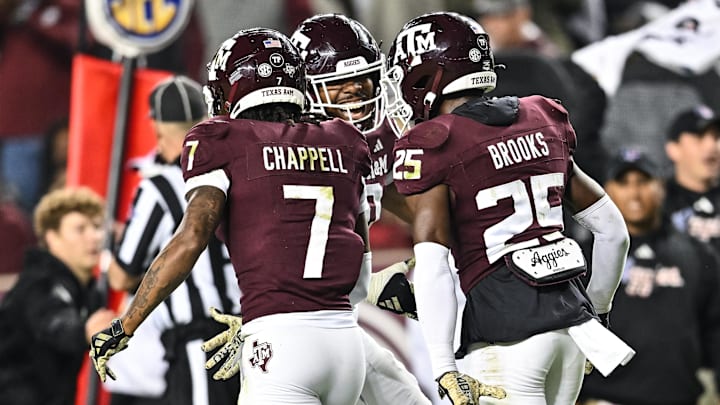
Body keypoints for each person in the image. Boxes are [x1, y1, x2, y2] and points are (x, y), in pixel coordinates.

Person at [90, 27, 373, 405]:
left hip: (279, 343)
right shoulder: (345, 139)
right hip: (346, 342)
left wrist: (125, 326)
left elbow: (191, 238)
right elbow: (360, 272)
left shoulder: (221, 139)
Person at [385, 11, 633, 404]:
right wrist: (598, 309)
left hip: (505, 338)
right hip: (574, 332)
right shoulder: (542, 116)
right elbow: (613, 232)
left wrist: (444, 365)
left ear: (428, 77)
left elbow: (433, 267)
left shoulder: (434, 141)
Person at [289, 13, 428, 405]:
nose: (355, 90)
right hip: (297, 319)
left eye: (362, 78)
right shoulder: (288, 149)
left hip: (339, 315)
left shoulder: (374, 138)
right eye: (338, 83)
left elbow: (394, 192)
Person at [103, 76, 241, 405]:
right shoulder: (239, 170)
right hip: (252, 333)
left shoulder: (161, 186)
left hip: (202, 340)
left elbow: (121, 274)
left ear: (158, 128)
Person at [579, 149, 720, 405]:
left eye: (643, 182)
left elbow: (715, 327)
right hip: (605, 399)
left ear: (661, 187)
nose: (634, 193)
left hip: (680, 398)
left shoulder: (697, 253)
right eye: (623, 183)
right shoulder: (583, 258)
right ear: (606, 189)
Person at [0, 186, 116, 405]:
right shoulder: (39, 284)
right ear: (52, 237)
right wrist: (83, 330)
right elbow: (53, 322)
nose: (94, 237)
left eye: (97, 226)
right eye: (80, 229)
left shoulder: (88, 292)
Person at [664, 105, 720, 252]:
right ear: (673, 149)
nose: (712, 146)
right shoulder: (657, 201)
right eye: (699, 137)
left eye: (716, 137)